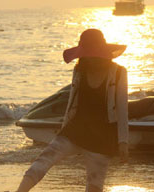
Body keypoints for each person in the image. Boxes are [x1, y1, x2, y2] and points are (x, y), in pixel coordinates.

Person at [17, 28, 129, 192]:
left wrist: (123, 142)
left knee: (95, 184)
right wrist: (64, 129)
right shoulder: (79, 70)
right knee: (44, 159)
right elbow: (72, 101)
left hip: (102, 136)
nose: (89, 58)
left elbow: (122, 109)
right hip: (75, 130)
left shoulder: (118, 73)